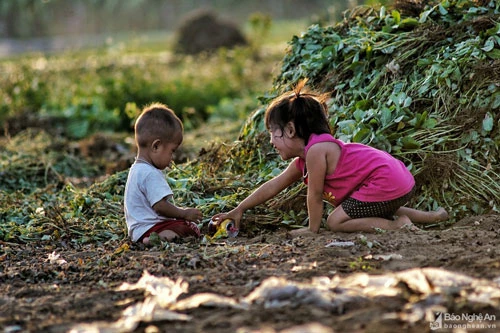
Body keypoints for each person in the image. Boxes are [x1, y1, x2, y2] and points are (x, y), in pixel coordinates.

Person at [212, 80, 448, 237]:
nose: (271, 141)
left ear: (291, 130)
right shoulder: (307, 158)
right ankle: (433, 217)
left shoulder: (316, 151)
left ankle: (399, 226)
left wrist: (312, 229)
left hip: (385, 180)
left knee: (335, 222)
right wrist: (239, 208)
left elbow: (314, 195)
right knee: (367, 208)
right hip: (396, 181)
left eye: (273, 132)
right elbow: (273, 186)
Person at [124, 102, 202, 245]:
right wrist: (183, 213)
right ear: (156, 146)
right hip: (151, 229)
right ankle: (157, 239)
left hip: (137, 231)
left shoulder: (136, 169)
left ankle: (151, 239)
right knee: (189, 228)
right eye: (172, 151)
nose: (172, 158)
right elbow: (160, 206)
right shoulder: (150, 173)